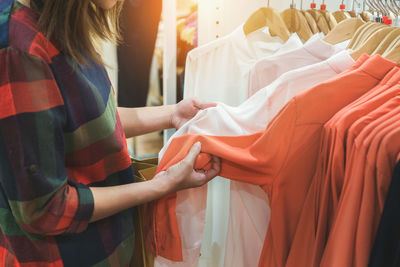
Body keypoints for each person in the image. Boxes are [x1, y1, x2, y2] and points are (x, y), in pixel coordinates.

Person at [0, 0, 221, 266]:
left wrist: (172, 113)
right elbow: (45, 209)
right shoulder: (19, 53)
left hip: (107, 246)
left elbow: (89, 120)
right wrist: (161, 185)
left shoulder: (61, 26)